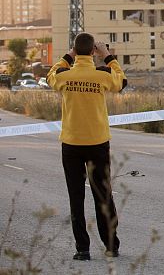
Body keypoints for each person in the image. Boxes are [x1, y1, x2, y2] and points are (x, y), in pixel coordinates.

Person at [47, 33, 127, 261]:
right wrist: (108, 56)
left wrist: (68, 57)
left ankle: (82, 249)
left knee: (76, 197)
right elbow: (121, 82)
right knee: (103, 195)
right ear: (93, 51)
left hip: (71, 143)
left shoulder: (64, 75)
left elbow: (50, 76)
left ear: (75, 51)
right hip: (97, 143)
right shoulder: (102, 75)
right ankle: (111, 245)